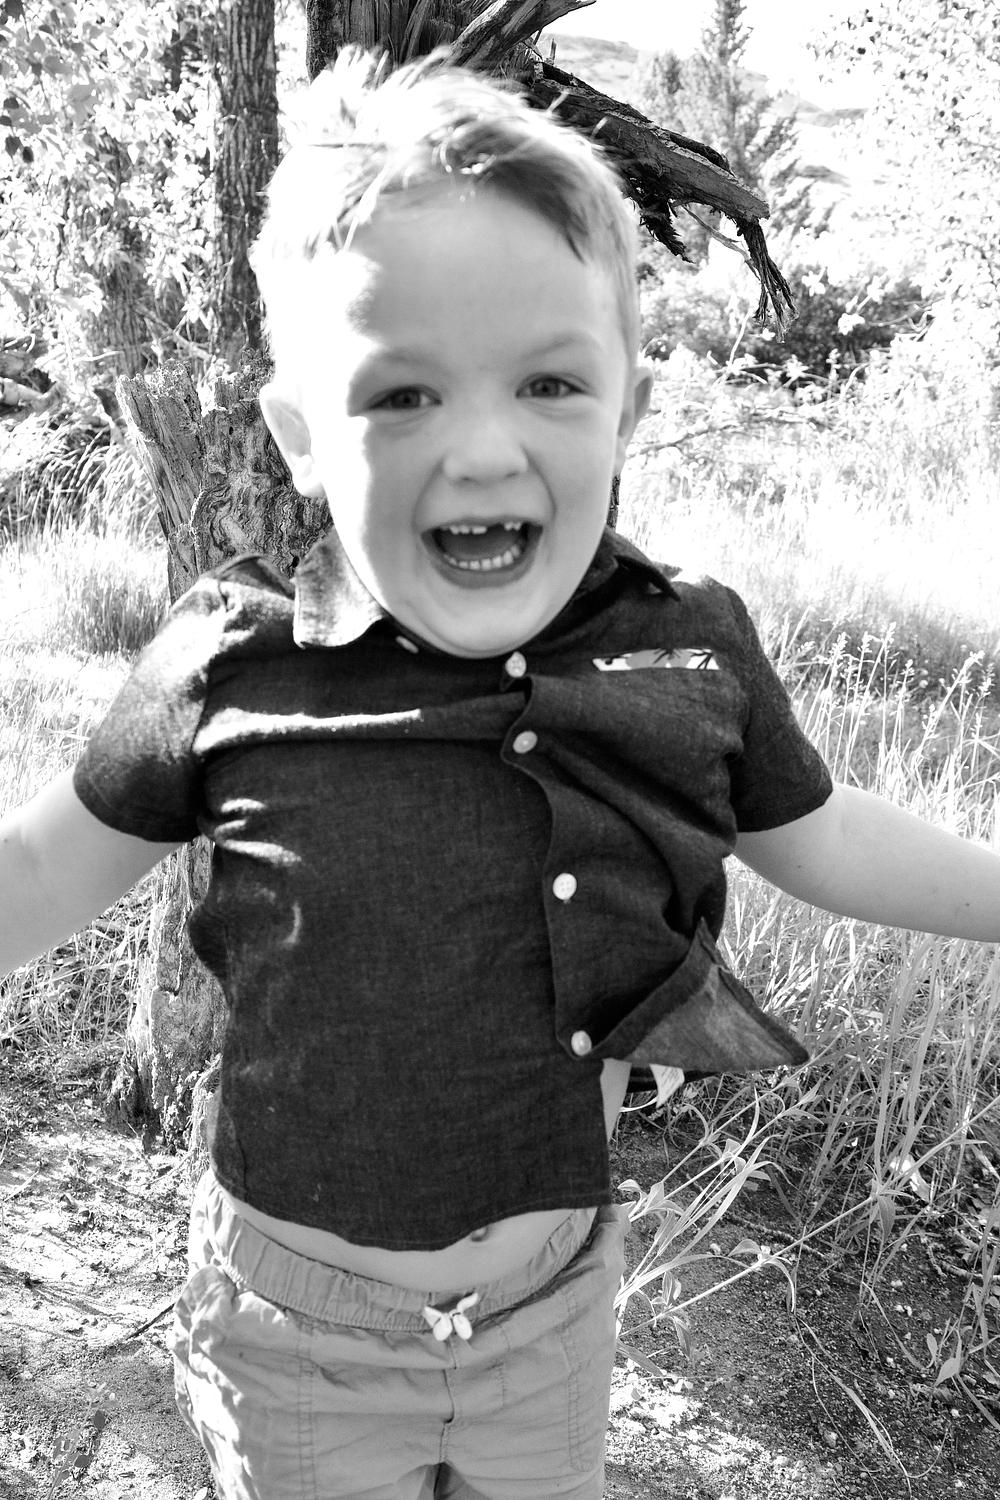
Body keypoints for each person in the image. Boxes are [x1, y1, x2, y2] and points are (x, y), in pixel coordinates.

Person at [2, 46, 999, 1500]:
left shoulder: (685, 647)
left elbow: (826, 837)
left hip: (551, 1315)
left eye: (548, 382)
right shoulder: (233, 663)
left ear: (628, 407)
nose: (481, 449)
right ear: (301, 433)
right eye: (402, 394)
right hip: (297, 1336)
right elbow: (43, 863)